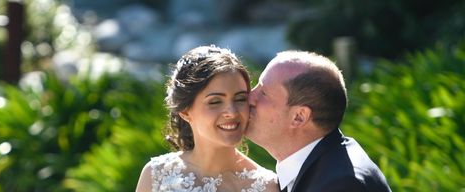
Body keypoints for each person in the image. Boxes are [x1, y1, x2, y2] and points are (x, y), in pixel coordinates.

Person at [136, 45, 278, 192]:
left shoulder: (268, 187)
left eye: (240, 99)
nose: (232, 112)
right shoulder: (156, 175)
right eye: (215, 102)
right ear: (185, 111)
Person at [246, 50, 392, 192]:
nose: (249, 97)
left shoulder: (341, 185)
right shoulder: (328, 165)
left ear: (299, 117)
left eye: (263, 93)